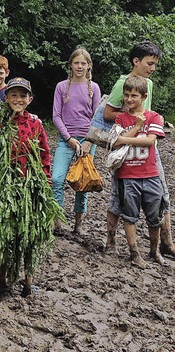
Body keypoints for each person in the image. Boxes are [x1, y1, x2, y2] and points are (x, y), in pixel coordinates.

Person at [0, 77, 54, 297]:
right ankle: (2, 282)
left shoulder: (35, 124)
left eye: (23, 95)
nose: (18, 99)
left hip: (30, 187)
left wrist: (46, 181)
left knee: (29, 235)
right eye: (14, 95)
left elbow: (44, 154)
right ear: (6, 97)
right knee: (4, 234)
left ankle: (28, 282)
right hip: (4, 187)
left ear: (30, 99)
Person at [102, 41, 175, 256]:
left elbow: (146, 111)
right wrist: (132, 120)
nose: (152, 68)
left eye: (155, 64)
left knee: (162, 193)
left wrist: (150, 122)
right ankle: (111, 240)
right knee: (119, 195)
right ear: (136, 61)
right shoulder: (122, 83)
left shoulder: (148, 83)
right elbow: (107, 113)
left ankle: (166, 242)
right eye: (149, 63)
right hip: (127, 144)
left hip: (147, 142)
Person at [111, 75, 166, 268]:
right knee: (129, 215)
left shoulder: (154, 116)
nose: (129, 99)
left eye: (134, 95)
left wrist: (127, 137)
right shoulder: (121, 117)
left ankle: (154, 250)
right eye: (126, 95)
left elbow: (150, 141)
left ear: (143, 96)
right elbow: (114, 141)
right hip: (127, 176)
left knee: (155, 217)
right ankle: (134, 253)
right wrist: (136, 127)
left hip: (150, 175)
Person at [51, 48, 101, 235]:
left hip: (88, 140)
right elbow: (56, 116)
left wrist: (89, 142)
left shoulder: (94, 88)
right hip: (66, 140)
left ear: (89, 66)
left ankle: (78, 225)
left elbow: (98, 119)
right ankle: (58, 222)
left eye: (83, 63)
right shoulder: (62, 87)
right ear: (70, 64)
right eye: (76, 63)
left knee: (83, 182)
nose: (79, 66)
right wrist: (69, 139)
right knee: (57, 179)